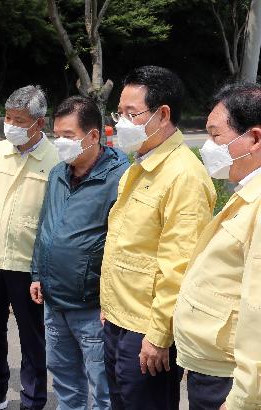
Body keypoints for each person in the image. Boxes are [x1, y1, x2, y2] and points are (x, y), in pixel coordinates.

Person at [100, 66, 216, 410]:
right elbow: (126, 245)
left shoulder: (184, 177)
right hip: (119, 319)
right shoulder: (139, 164)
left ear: (162, 114)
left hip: (146, 332)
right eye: (118, 113)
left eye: (130, 114)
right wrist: (108, 306)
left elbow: (178, 266)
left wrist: (159, 334)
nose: (120, 122)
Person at [0, 85, 59, 410]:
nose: (11, 125)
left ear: (39, 123)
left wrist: (46, 269)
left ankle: (32, 399)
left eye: (19, 120)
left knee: (32, 336)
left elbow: (57, 220)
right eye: (8, 117)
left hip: (28, 262)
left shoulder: (56, 161)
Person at [30, 96, 129, 409]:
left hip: (92, 306)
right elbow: (45, 227)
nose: (60, 143)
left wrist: (110, 300)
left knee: (103, 388)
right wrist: (37, 273)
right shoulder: (58, 173)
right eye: (56, 135)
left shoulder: (120, 178)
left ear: (94, 136)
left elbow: (123, 245)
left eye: (68, 136)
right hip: (54, 301)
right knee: (65, 381)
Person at [173, 82, 261, 410]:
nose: (207, 147)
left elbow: (258, 311)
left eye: (215, 136)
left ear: (254, 138)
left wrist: (244, 398)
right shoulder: (246, 191)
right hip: (213, 365)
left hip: (229, 378)